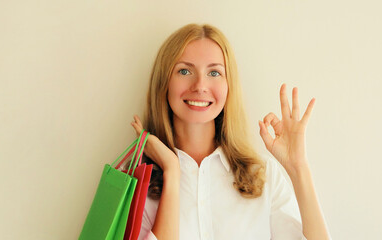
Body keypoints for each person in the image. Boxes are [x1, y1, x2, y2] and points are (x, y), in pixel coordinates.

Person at [129, 23, 331, 240]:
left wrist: (298, 167)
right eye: (184, 70)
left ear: (228, 86)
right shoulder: (136, 182)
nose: (200, 85)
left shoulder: (263, 175)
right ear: (164, 82)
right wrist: (171, 170)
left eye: (214, 72)